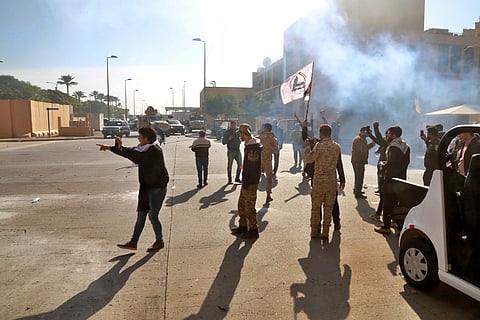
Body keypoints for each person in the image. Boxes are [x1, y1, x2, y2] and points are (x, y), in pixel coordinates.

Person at [96, 127, 169, 251]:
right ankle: (133, 242)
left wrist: (120, 148)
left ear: (146, 139)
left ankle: (159, 241)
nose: (138, 138)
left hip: (157, 188)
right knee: (141, 214)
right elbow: (133, 152)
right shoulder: (144, 148)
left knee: (153, 216)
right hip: (146, 187)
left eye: (140, 137)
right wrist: (112, 148)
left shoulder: (154, 150)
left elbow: (136, 156)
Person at [304, 124, 343, 240]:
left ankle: (314, 231)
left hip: (319, 181)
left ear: (321, 133)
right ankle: (325, 232)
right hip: (331, 181)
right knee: (328, 207)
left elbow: (310, 159)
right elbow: (338, 164)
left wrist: (307, 148)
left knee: (316, 208)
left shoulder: (319, 146)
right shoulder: (337, 147)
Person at [374, 126, 410, 235]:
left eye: (388, 134)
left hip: (390, 179)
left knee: (388, 202)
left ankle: (386, 226)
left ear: (393, 135)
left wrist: (384, 165)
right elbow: (405, 163)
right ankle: (397, 223)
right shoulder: (405, 145)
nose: (387, 136)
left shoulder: (393, 146)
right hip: (401, 178)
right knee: (398, 202)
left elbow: (393, 162)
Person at [230, 123, 263, 239]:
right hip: (247, 180)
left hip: (250, 181)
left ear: (243, 134)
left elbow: (252, 168)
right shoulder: (250, 144)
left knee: (250, 206)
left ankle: (253, 229)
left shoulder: (252, 148)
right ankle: (243, 226)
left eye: (240, 133)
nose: (239, 136)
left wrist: (246, 183)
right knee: (241, 205)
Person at [368, 121, 388, 221]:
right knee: (383, 194)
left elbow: (379, 140)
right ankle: (380, 214)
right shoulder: (388, 143)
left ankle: (382, 215)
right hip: (382, 170)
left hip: (385, 171)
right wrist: (371, 135)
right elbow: (379, 141)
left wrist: (375, 128)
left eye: (388, 134)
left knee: (384, 193)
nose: (386, 136)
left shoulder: (390, 143)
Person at [351, 126, 376, 199]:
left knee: (358, 176)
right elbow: (363, 149)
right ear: (362, 131)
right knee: (359, 177)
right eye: (367, 132)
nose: (368, 134)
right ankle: (357, 193)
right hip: (358, 160)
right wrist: (372, 144)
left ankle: (356, 190)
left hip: (359, 160)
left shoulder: (362, 139)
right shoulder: (358, 139)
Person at [258, 123, 280, 202]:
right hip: (268, 160)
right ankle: (268, 195)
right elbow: (277, 149)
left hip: (259, 159)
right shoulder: (272, 137)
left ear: (265, 128)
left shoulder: (260, 137)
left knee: (256, 177)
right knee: (269, 178)